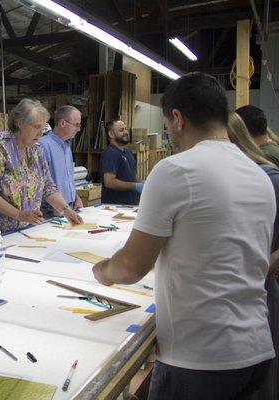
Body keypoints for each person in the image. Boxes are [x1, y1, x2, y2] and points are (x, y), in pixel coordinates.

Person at [92, 72, 275, 400]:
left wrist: (103, 271)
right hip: (256, 350)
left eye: (165, 123)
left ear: (177, 118)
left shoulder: (176, 170)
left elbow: (132, 267)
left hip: (200, 360)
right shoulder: (258, 174)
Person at [0, 99, 82, 233]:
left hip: (23, 228)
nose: (40, 133)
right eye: (36, 127)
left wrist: (66, 211)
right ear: (20, 123)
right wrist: (19, 214)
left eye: (42, 127)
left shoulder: (36, 149)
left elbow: (48, 186)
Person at [227, 112, 279, 400]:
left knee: (262, 375)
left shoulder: (267, 177)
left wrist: (270, 261)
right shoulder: (242, 176)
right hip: (244, 289)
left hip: (261, 288)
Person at [38, 106, 84, 216]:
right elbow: (40, 182)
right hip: (51, 209)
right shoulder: (43, 145)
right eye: (76, 125)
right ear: (63, 123)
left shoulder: (67, 146)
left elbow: (68, 178)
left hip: (69, 206)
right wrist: (57, 206)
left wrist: (76, 197)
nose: (78, 129)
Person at [100, 119, 142, 205]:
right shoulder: (110, 153)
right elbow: (109, 182)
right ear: (111, 134)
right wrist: (135, 186)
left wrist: (140, 185)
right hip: (114, 207)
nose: (126, 132)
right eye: (121, 130)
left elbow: (132, 176)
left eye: (126, 129)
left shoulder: (128, 152)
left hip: (130, 204)